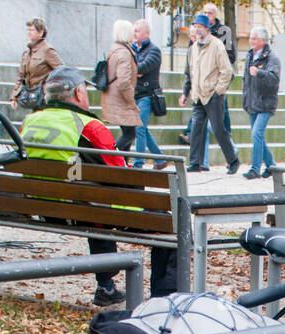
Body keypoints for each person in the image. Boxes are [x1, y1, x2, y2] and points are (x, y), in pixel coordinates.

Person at [21, 66, 176, 305]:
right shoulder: (89, 126)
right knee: (169, 228)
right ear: (79, 94)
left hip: (48, 208)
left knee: (92, 200)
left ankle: (106, 286)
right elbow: (121, 174)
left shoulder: (29, 122)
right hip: (88, 209)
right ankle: (164, 301)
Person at [181, 13, 239, 175]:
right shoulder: (193, 48)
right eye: (195, 26)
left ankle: (233, 160)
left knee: (219, 129)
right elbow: (191, 72)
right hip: (198, 95)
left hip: (213, 94)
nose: (197, 29)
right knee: (196, 129)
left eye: (200, 27)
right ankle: (195, 162)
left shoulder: (217, 45)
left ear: (207, 29)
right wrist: (188, 92)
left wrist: (218, 91)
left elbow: (227, 71)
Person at [242, 27, 281, 179]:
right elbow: (246, 81)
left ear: (263, 41)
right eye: (251, 38)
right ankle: (271, 166)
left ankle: (255, 168)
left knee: (257, 133)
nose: (251, 41)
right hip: (252, 102)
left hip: (266, 102)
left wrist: (259, 73)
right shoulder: (250, 55)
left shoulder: (272, 58)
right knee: (257, 135)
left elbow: (274, 79)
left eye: (254, 38)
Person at [130, 19, 167, 169]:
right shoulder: (133, 49)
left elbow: (142, 68)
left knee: (139, 128)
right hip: (135, 95)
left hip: (147, 96)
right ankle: (160, 159)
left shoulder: (154, 50)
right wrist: (135, 70)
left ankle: (139, 163)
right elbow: (133, 67)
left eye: (137, 31)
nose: (134, 33)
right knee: (142, 128)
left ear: (146, 33)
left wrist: (136, 70)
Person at [101, 20, 141, 153]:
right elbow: (123, 81)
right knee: (129, 134)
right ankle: (109, 156)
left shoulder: (115, 49)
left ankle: (123, 165)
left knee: (128, 132)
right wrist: (131, 102)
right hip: (121, 99)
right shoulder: (124, 52)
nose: (134, 34)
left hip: (113, 97)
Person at [12, 17, 63, 109]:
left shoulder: (47, 50)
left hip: (45, 99)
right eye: (28, 29)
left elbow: (62, 71)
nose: (29, 32)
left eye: (32, 30)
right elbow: (21, 75)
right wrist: (14, 97)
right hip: (31, 97)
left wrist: (48, 87)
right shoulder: (27, 52)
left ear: (41, 32)